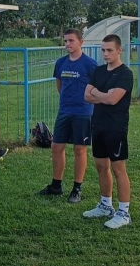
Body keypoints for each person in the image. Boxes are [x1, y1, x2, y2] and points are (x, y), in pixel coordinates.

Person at [38, 28, 97, 203]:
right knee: (56, 146)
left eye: (71, 41)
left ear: (81, 42)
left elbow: (95, 87)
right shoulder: (61, 63)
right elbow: (60, 84)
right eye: (65, 41)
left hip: (83, 112)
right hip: (64, 111)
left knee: (79, 149)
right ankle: (56, 185)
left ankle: (77, 188)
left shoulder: (90, 64)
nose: (67, 44)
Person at [82, 34, 133, 230]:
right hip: (98, 124)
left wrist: (98, 93)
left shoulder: (125, 74)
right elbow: (87, 95)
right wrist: (103, 94)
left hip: (116, 127)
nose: (105, 54)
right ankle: (105, 205)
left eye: (109, 50)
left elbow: (113, 100)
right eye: (103, 50)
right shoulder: (99, 71)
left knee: (119, 169)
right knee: (101, 166)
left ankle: (124, 212)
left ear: (119, 50)